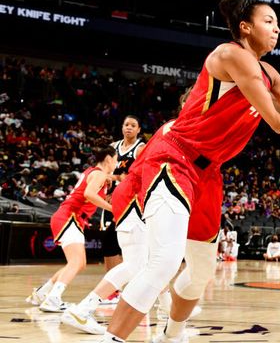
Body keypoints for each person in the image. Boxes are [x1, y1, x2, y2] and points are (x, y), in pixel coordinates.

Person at [99, 0, 280, 343]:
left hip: (209, 174)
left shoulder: (269, 73)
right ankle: (112, 339)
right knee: (165, 260)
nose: (277, 28)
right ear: (245, 27)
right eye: (269, 21)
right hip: (176, 157)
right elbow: (276, 119)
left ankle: (172, 334)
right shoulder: (230, 55)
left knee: (200, 274)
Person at [62, 93, 190, 335]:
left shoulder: (152, 141)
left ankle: (167, 308)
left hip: (127, 200)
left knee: (149, 262)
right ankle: (83, 309)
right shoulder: (169, 134)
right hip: (132, 201)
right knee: (138, 264)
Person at [26, 138, 117, 313]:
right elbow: (90, 194)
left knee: (76, 263)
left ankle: (41, 293)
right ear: (108, 159)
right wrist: (112, 208)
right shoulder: (98, 174)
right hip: (70, 217)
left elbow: (94, 189)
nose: (116, 162)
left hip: (68, 217)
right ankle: (53, 299)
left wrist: (109, 179)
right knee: (77, 262)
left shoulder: (96, 173)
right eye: (115, 159)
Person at [100, 115, 146, 305]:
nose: (128, 128)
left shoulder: (141, 148)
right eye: (126, 124)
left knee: (132, 247)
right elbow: (103, 172)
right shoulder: (113, 147)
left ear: (138, 130)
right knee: (108, 244)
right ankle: (112, 291)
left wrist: (116, 178)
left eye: (133, 125)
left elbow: (139, 175)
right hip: (110, 201)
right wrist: (109, 181)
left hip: (130, 203)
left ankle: (137, 289)